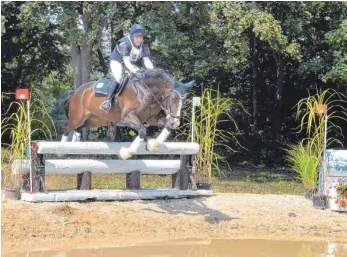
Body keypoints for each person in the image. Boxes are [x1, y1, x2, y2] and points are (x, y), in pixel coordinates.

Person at [100, 24, 155, 112]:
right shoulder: (124, 43)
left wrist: (154, 72)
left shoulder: (144, 46)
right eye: (137, 37)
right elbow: (126, 62)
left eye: (141, 37)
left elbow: (147, 61)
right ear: (132, 36)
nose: (139, 39)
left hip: (132, 63)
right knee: (118, 78)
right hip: (117, 62)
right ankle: (107, 101)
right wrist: (136, 71)